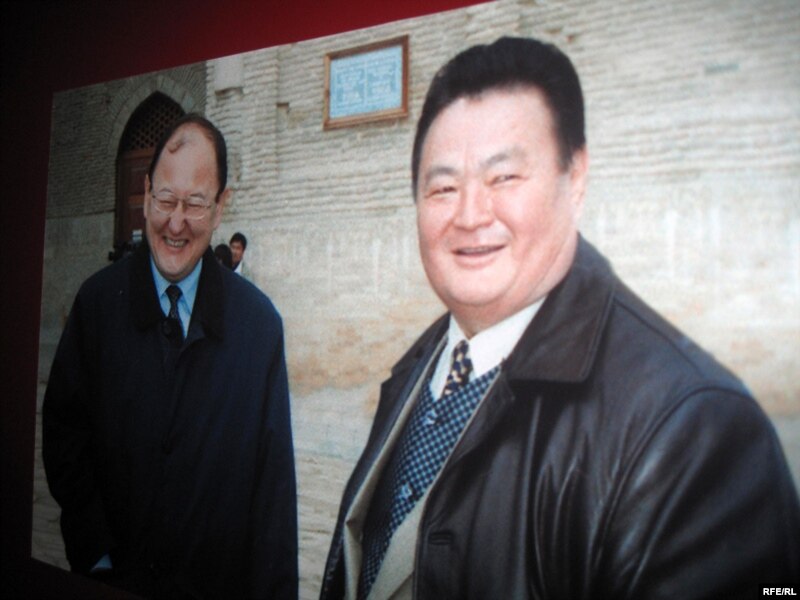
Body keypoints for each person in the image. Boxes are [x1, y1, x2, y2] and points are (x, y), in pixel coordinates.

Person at [320, 37, 800, 599]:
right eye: (443, 187)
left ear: (576, 179)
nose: (470, 215)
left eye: (504, 178)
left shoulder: (693, 429)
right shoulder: (419, 370)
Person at [43, 114, 298, 599]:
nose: (176, 223)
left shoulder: (259, 327)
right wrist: (96, 554)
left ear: (220, 207)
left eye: (195, 204)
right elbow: (64, 435)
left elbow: (273, 496)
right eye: (165, 199)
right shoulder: (98, 305)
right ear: (145, 194)